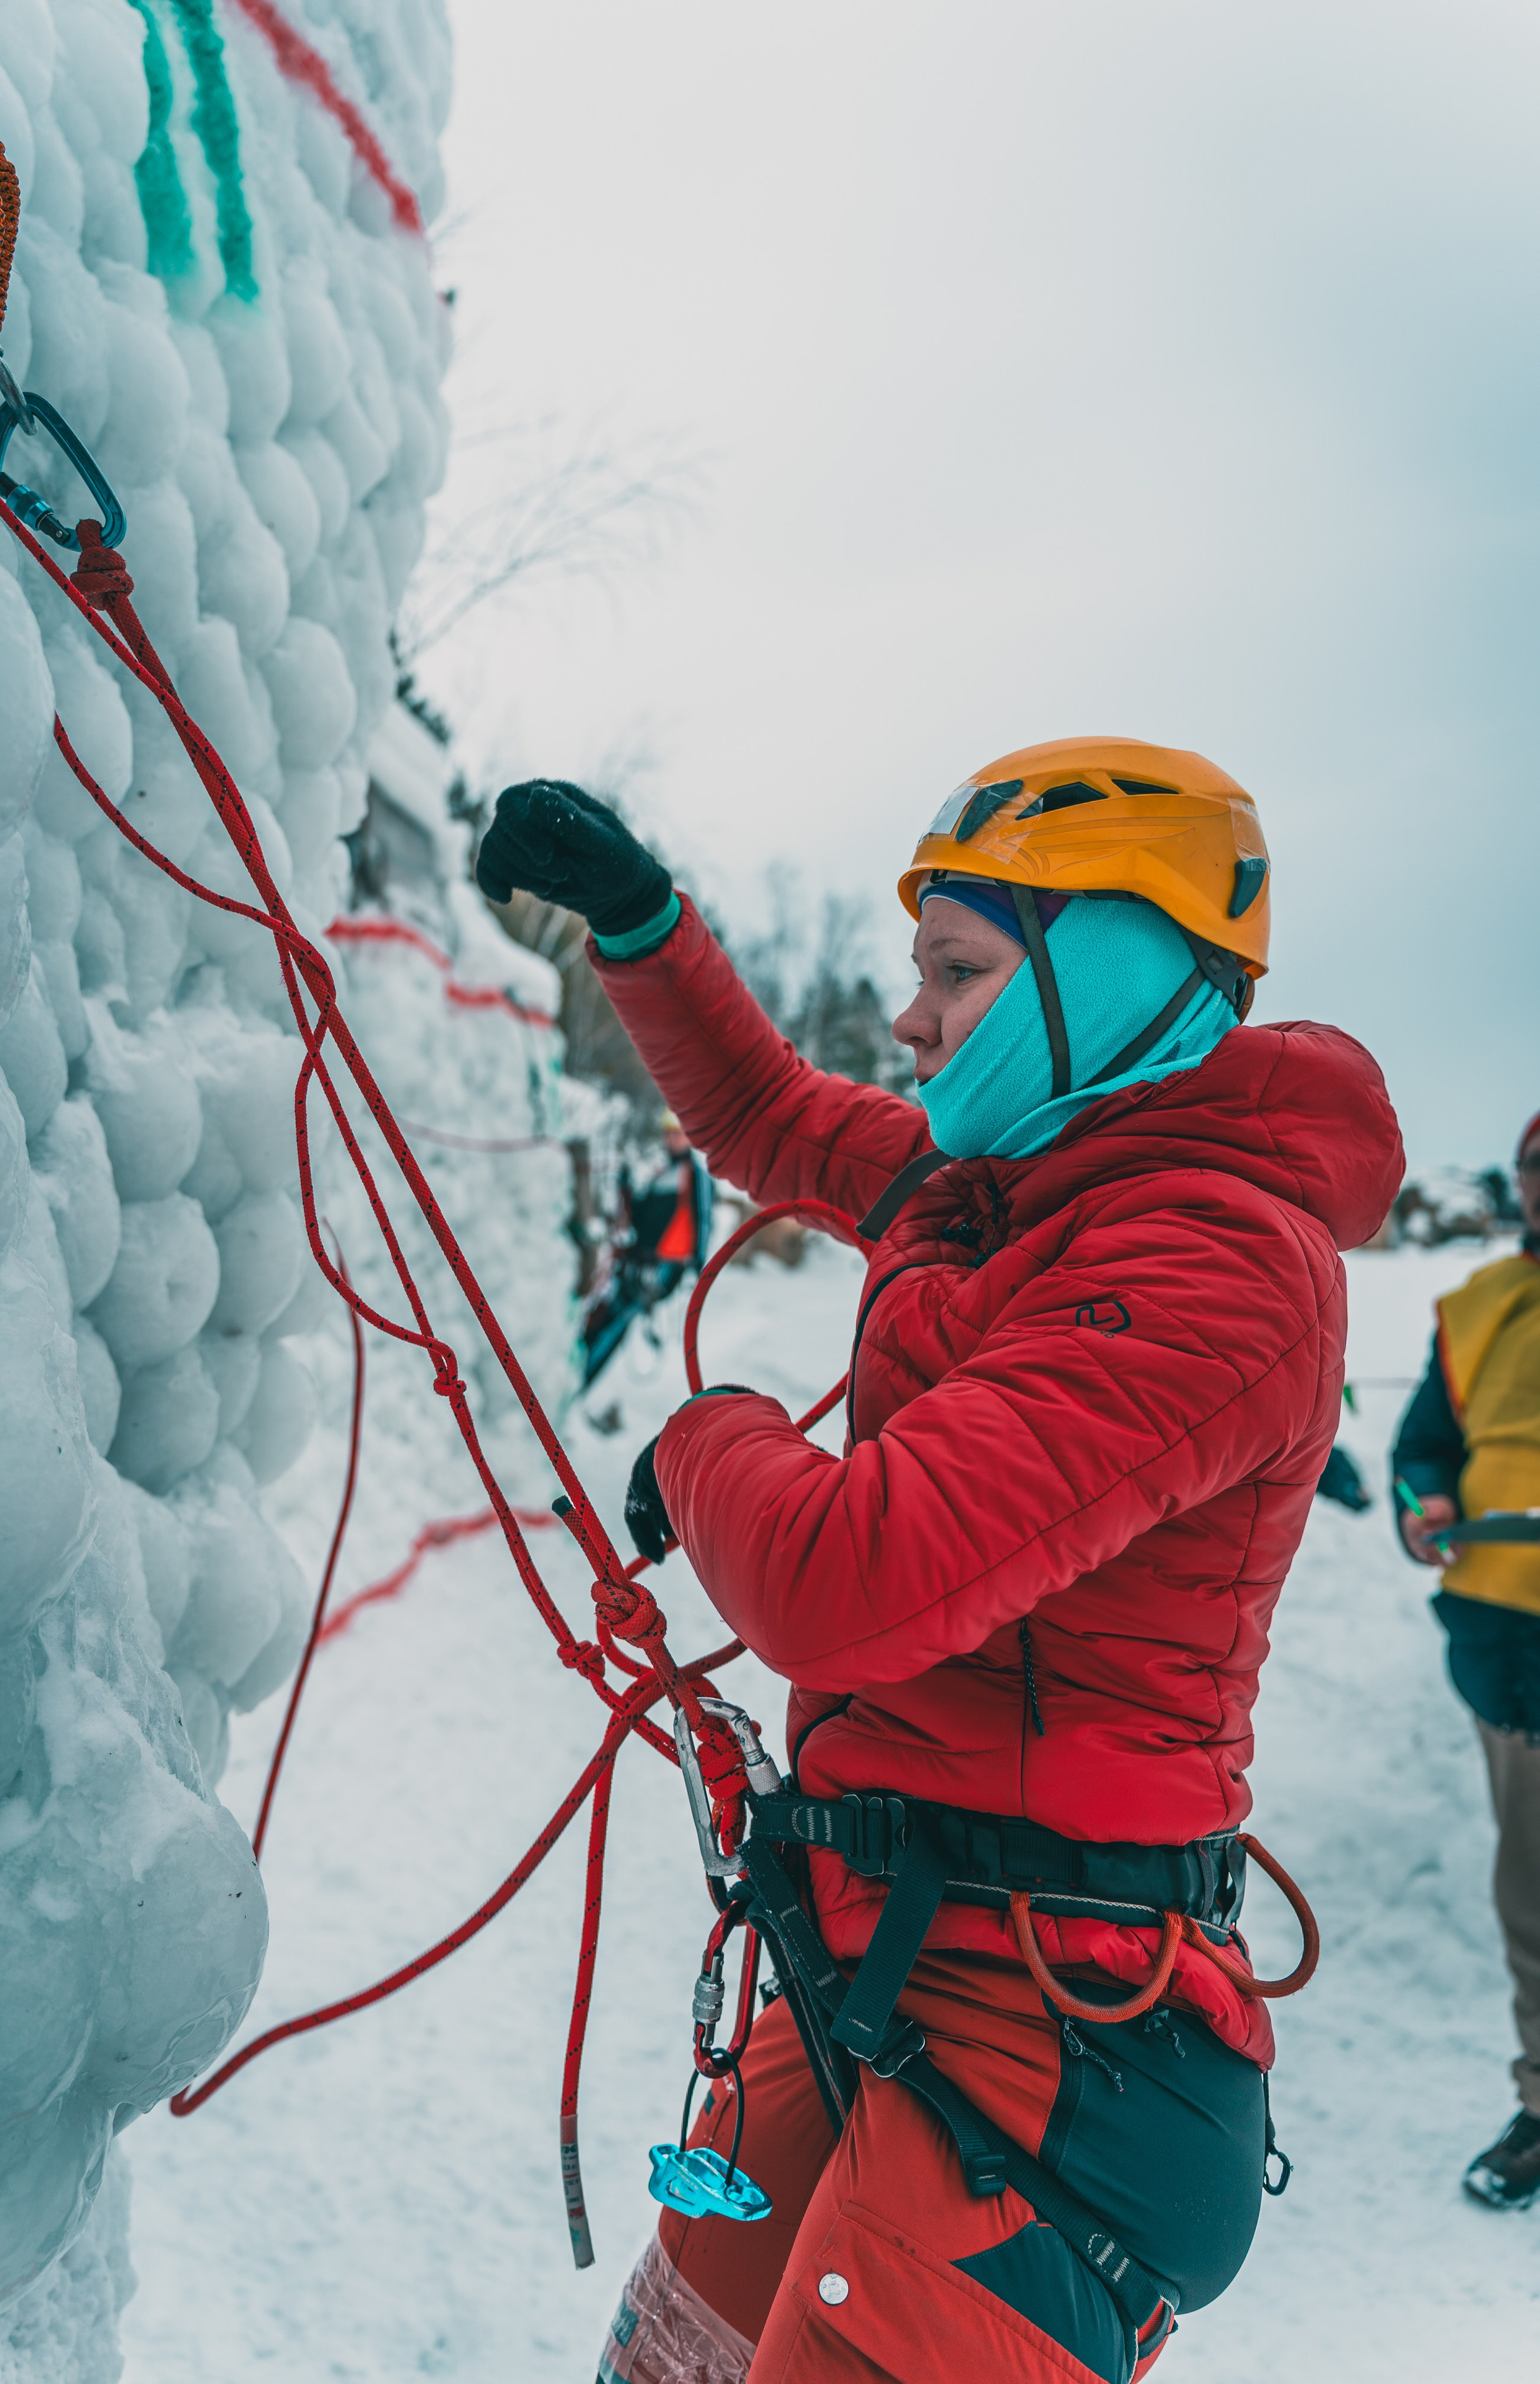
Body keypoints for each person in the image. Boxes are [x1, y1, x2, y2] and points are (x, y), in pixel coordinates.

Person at [478, 747, 1403, 2384]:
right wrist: (642, 922)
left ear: (1108, 978)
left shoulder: (1218, 1260)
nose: (911, 1023)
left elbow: (857, 1581)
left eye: (957, 974)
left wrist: (705, 1439)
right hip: (867, 1968)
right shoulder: (986, 1188)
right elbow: (769, 1119)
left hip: (1047, 2046)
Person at [1394, 1110, 1540, 2209]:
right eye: (1538, 1167)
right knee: (1534, 1890)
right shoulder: (1480, 1307)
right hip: (1510, 1640)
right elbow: (1421, 1450)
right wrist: (1425, 1501)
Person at [579, 1112, 713, 1390]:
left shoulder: (696, 1178)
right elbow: (639, 1217)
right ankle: (578, 1378)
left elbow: (703, 1222)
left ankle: (579, 1381)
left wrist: (695, 1273)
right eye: (668, 1133)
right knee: (606, 1319)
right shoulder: (664, 1173)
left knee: (615, 1321)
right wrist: (625, 1186)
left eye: (677, 1134)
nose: (671, 1139)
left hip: (662, 1269)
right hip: (638, 1263)